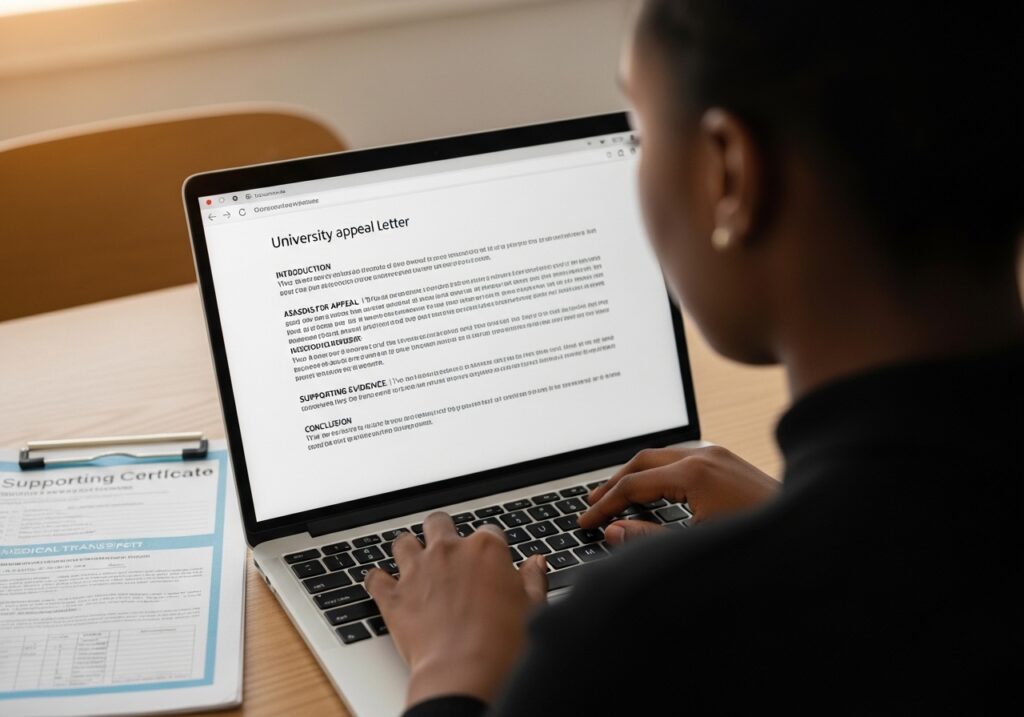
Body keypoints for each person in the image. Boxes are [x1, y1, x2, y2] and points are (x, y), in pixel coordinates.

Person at [364, 1, 1024, 714]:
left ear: (730, 172)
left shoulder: (645, 634)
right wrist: (811, 519)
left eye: (640, 134)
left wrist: (450, 670)